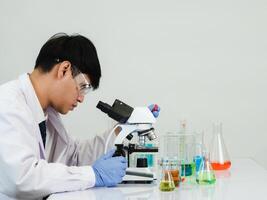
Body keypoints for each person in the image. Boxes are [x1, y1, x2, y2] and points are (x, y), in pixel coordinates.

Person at [0, 33, 160, 199]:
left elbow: (74, 157)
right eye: (82, 86)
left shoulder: (47, 114)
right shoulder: (7, 104)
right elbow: (21, 178)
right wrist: (93, 175)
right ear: (64, 69)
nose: (81, 98)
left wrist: (123, 129)